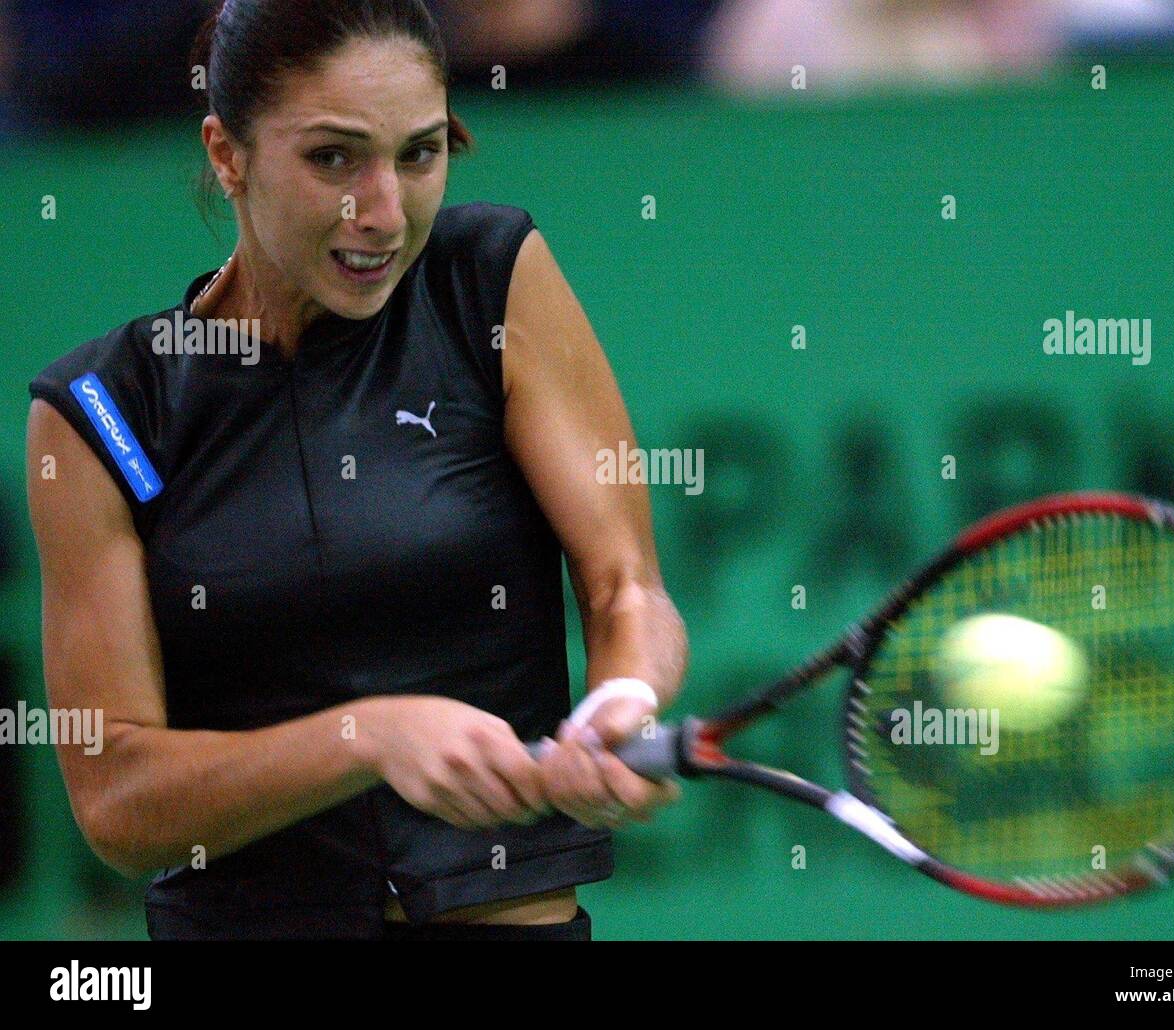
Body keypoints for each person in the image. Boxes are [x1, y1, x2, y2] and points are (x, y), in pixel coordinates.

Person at [25, 0, 684, 941]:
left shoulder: (490, 278)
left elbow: (627, 586)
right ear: (228, 154)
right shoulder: (102, 414)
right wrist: (366, 738)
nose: (383, 213)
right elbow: (119, 802)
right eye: (333, 158)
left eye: (419, 154)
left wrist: (625, 695)